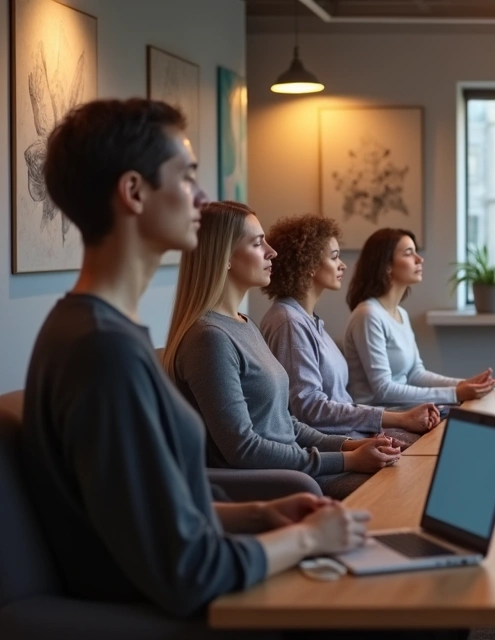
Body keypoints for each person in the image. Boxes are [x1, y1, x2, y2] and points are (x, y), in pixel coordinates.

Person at [21, 98, 367, 618]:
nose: (201, 198)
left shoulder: (104, 331)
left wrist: (259, 511)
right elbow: (187, 569)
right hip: (171, 608)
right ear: (134, 192)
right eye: (186, 178)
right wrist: (304, 539)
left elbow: (154, 507)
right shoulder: (102, 350)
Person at [164, 202, 401, 500]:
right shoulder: (209, 338)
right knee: (397, 489)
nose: (271, 251)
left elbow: (284, 423)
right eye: (256, 242)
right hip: (278, 482)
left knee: (403, 474)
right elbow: (243, 448)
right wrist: (347, 460)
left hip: (298, 467)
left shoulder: (244, 325)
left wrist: (346, 445)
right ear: (224, 256)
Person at [260, 214, 440, 443]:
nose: (342, 265)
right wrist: (398, 419)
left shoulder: (309, 320)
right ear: (309, 264)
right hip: (335, 450)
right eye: (334, 257)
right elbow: (310, 410)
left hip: (355, 437)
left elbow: (337, 402)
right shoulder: (288, 322)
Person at [345, 228, 495, 408]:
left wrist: (462, 385)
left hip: (407, 413)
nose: (419, 259)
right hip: (379, 422)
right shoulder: (368, 315)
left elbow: (415, 374)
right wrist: (454, 394)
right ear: (386, 265)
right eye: (409, 253)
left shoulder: (401, 313)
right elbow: (383, 389)